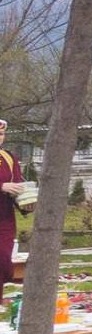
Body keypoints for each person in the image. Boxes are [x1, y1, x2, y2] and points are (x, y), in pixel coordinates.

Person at [0, 119, 25, 287]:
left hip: (4, 219)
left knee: (3, 260)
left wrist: (26, 201)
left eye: (1, 134)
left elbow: (17, 185)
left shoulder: (9, 158)